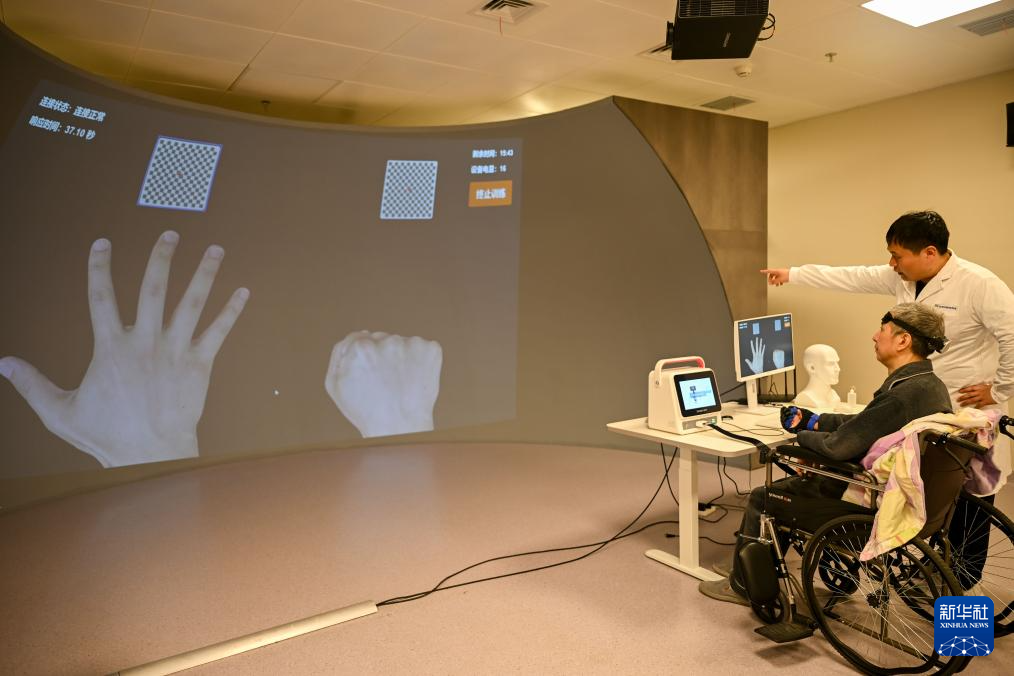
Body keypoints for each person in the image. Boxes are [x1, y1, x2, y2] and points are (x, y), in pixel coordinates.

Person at [700, 303, 952, 605]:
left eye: (882, 330)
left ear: (903, 341)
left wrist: (802, 438)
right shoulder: (928, 386)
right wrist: (816, 421)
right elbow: (868, 423)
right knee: (792, 487)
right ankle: (757, 568)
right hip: (920, 503)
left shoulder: (900, 395)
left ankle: (744, 583)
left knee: (764, 497)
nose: (875, 336)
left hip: (870, 507)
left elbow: (838, 447)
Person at [761, 210, 1013, 487]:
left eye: (897, 256)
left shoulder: (980, 284)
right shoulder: (902, 276)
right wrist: (793, 274)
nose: (892, 263)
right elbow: (853, 277)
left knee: (963, 490)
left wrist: (999, 390)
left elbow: (1012, 335)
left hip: (960, 400)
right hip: (920, 399)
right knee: (923, 487)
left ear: (929, 252)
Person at [795, 344, 841, 409]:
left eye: (837, 363)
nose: (838, 369)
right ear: (812, 368)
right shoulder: (806, 398)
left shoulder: (834, 396)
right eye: (830, 364)